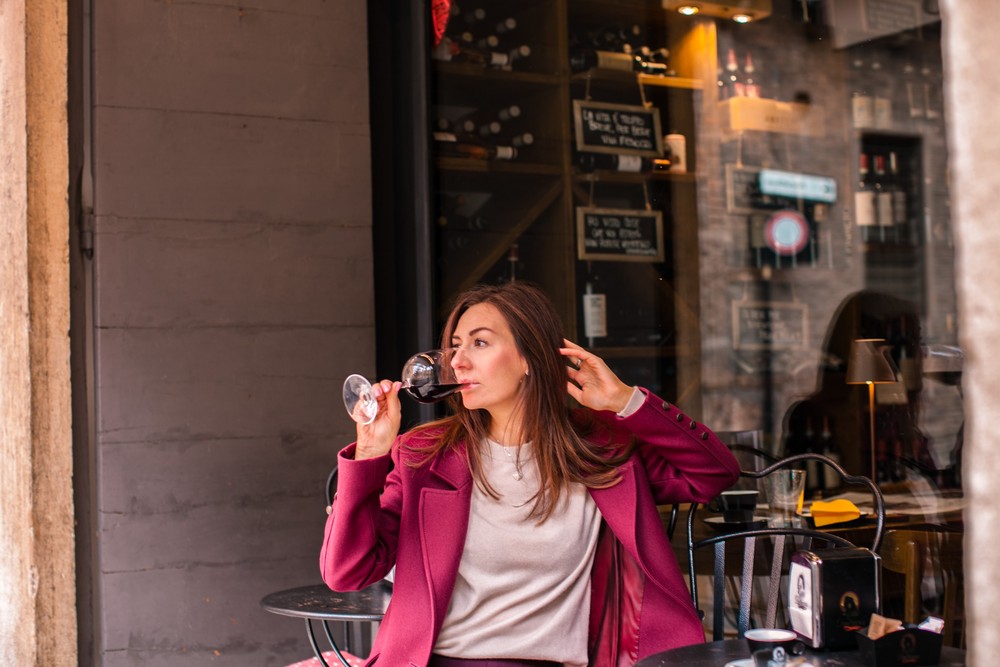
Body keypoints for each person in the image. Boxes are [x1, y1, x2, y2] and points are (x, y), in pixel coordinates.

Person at [320, 282, 740, 667]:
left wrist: (625, 400)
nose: (458, 362)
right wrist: (370, 454)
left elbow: (714, 472)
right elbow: (347, 573)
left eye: (480, 343)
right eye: (454, 346)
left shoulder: (600, 449)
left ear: (528, 358)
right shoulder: (425, 455)